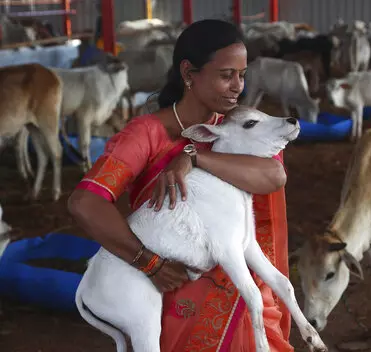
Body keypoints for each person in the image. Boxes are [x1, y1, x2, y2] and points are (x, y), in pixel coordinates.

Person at [68, 19, 294, 351]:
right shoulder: (146, 134)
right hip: (174, 294)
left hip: (240, 296)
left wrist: (194, 158)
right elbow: (85, 203)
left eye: (242, 75)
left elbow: (273, 176)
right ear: (189, 73)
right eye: (225, 75)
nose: (238, 87)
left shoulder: (240, 125)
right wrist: (148, 261)